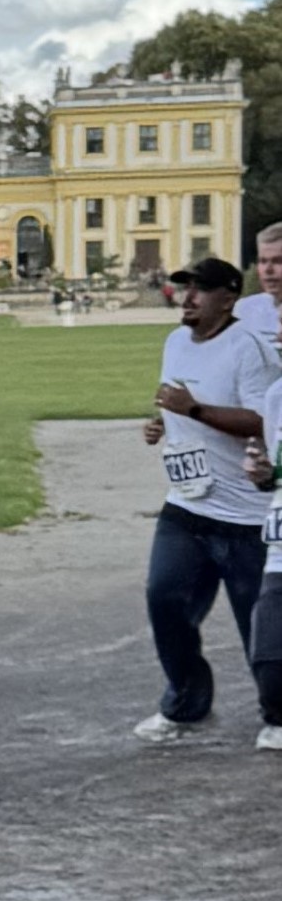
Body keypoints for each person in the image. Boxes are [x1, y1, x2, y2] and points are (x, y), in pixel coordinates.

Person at [132, 256, 278, 742]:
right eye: (184, 288)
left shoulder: (249, 350)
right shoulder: (175, 342)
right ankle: (186, 703)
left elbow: (265, 420)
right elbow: (179, 408)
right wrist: (164, 425)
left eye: (200, 290)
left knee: (260, 631)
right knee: (163, 599)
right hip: (188, 505)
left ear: (228, 298)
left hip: (246, 518)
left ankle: (277, 715)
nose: (187, 297)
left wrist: (192, 409)